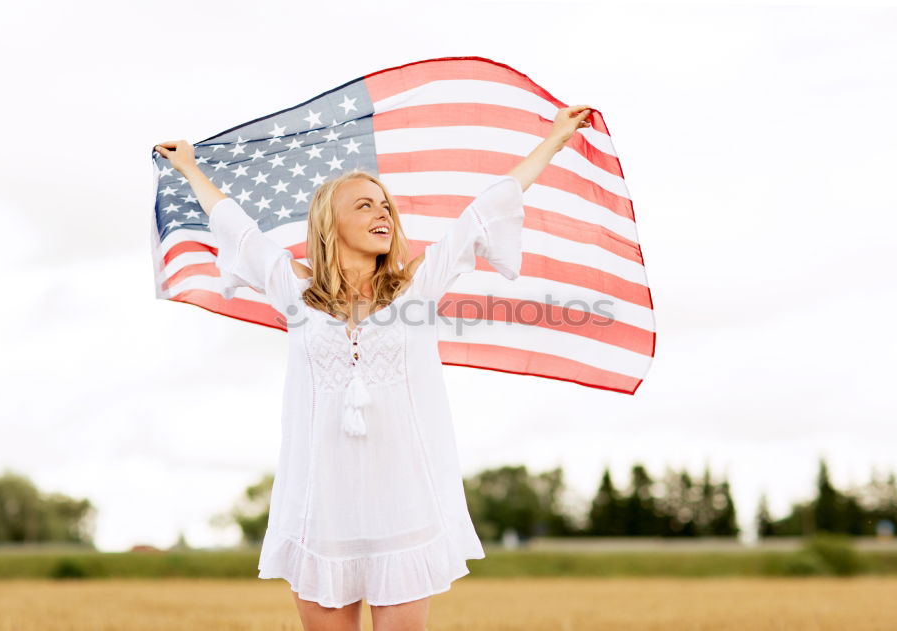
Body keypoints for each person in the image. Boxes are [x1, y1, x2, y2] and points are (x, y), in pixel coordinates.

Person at [154, 104, 592, 631]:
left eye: (386, 205)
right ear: (329, 221)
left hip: (403, 508)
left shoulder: (418, 286)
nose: (383, 214)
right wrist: (190, 169)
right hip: (321, 511)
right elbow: (238, 229)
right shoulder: (295, 293)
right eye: (365, 205)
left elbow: (487, 209)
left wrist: (554, 140)